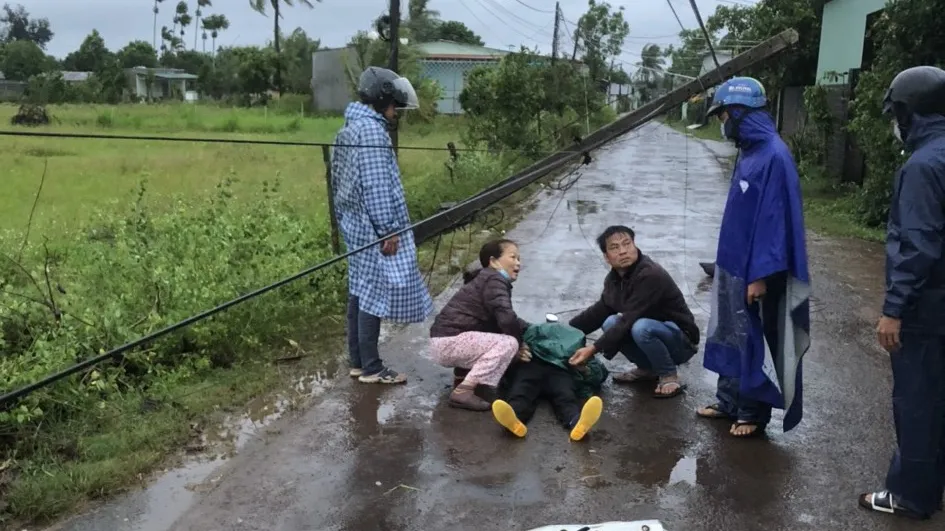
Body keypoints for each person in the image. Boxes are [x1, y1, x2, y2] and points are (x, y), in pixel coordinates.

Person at [695, 76, 810, 438]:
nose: (721, 123)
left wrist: (759, 276)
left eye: (723, 115)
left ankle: (751, 412)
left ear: (740, 113)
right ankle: (728, 401)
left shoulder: (775, 156)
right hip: (732, 265)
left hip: (755, 272)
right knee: (728, 333)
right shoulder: (749, 152)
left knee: (751, 339)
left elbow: (773, 222)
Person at [858, 65, 945, 521]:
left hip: (928, 310)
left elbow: (919, 244)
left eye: (896, 113)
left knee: (917, 403)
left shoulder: (923, 165)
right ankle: (933, 483)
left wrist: (894, 310)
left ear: (909, 112)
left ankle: (911, 494)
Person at [331, 66, 433, 385]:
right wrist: (387, 229)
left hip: (355, 224)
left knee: (359, 290)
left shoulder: (351, 127)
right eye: (393, 105)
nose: (396, 112)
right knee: (372, 293)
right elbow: (375, 186)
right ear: (381, 100)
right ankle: (372, 368)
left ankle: (359, 362)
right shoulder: (373, 131)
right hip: (373, 226)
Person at [566, 225, 700, 398]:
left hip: (681, 341)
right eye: (615, 247)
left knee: (640, 327)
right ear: (607, 257)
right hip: (652, 333)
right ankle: (647, 369)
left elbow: (628, 319)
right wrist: (567, 331)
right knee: (609, 323)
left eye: (627, 244)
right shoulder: (614, 279)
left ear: (635, 246)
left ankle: (669, 375)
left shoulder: (650, 274)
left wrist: (593, 348)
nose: (623, 251)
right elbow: (600, 311)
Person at [428, 239, 532, 411]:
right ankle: (463, 391)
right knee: (508, 343)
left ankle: (462, 378)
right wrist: (519, 345)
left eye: (519, 259)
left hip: (445, 342)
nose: (518, 263)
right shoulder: (494, 279)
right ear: (493, 261)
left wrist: (531, 328)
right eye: (513, 257)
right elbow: (506, 318)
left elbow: (504, 318)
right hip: (449, 342)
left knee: (492, 335)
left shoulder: (486, 279)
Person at [492, 321, 608, 441]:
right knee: (566, 397)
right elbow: (600, 372)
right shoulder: (576, 348)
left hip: (533, 367)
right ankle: (576, 421)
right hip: (559, 371)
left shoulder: (530, 338)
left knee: (521, 392)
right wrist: (585, 369)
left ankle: (514, 417)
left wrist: (584, 368)